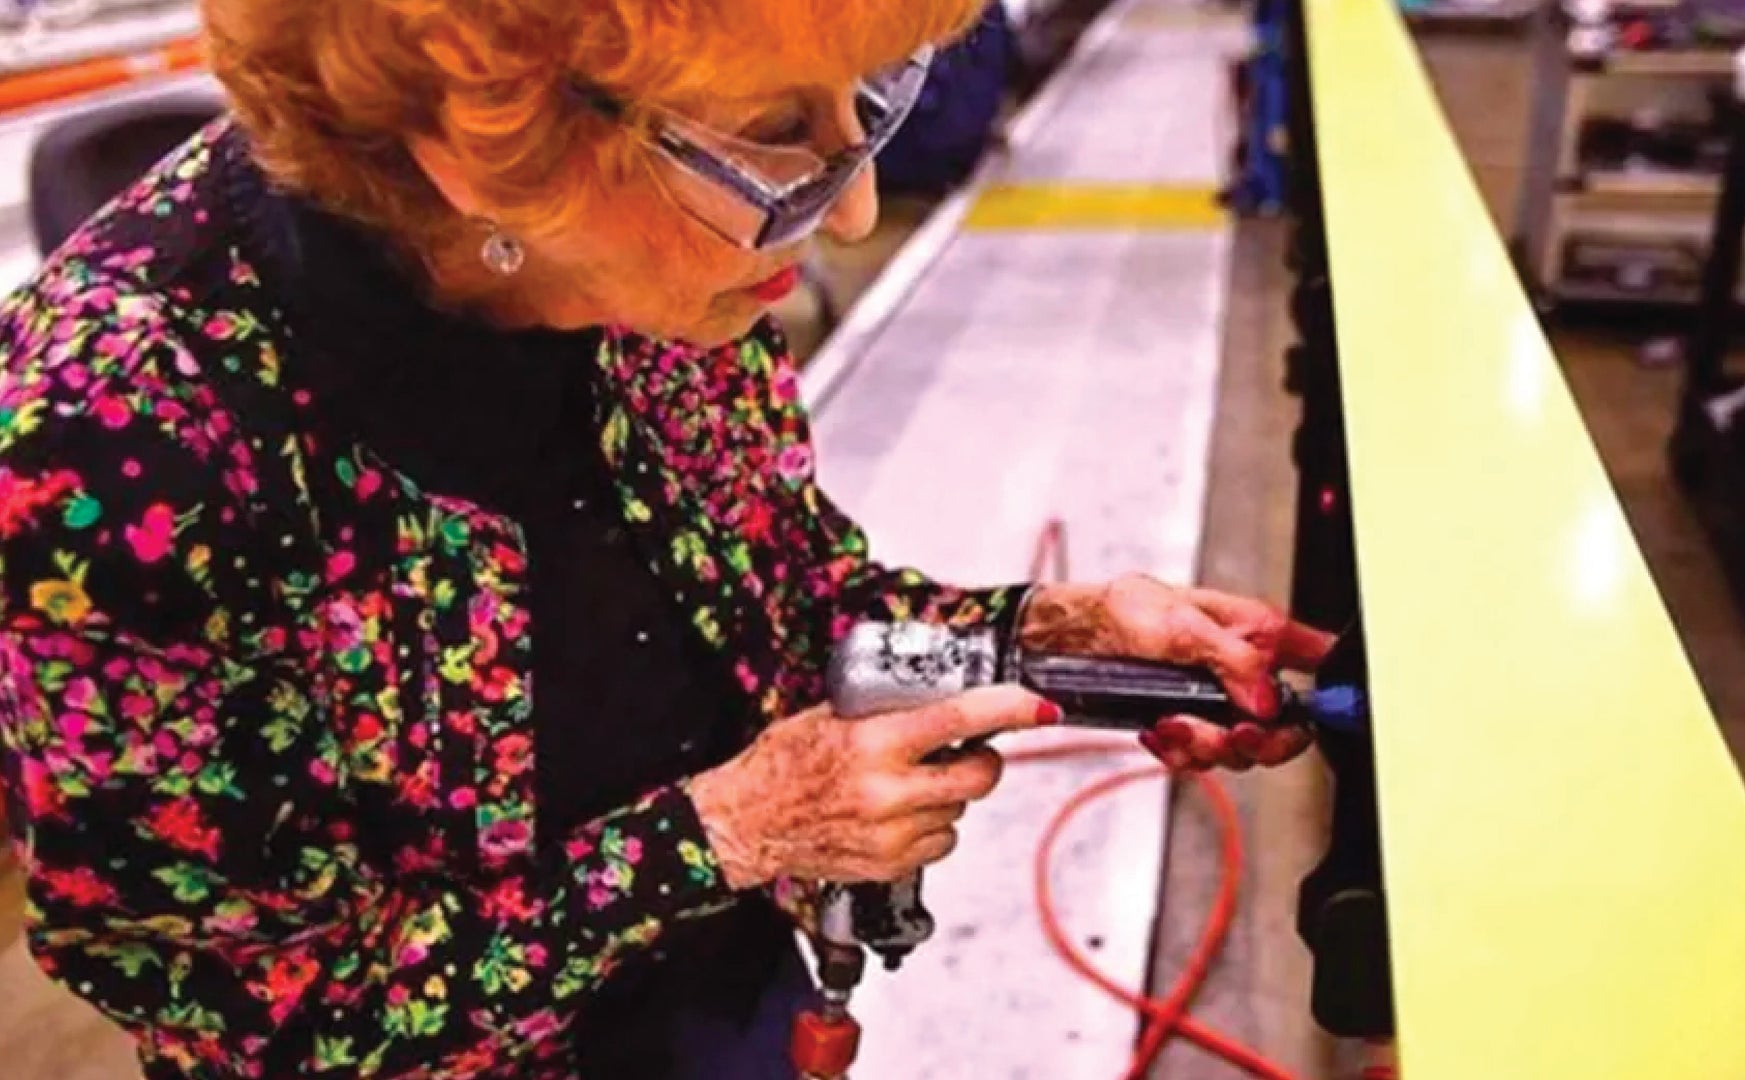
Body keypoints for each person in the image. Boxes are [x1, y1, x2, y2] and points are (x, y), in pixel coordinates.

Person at [0, 0, 1332, 1076]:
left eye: (864, 106)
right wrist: (725, 836)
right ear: (488, 143)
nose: (850, 212)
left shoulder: (658, 251)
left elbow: (787, 589)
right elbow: (260, 1014)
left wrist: (1060, 639)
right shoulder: (105, 453)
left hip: (721, 996)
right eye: (772, 133)